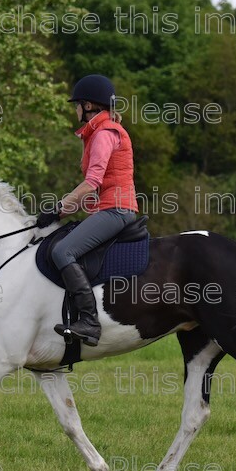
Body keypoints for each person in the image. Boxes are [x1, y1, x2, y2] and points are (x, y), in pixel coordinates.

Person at [36, 74, 139, 347]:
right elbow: (93, 192)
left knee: (62, 251)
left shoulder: (104, 134)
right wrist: (60, 213)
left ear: (89, 106)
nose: (75, 110)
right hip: (109, 206)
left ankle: (90, 322)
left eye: (77, 105)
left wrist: (58, 210)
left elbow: (91, 183)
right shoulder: (98, 132)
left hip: (116, 209)